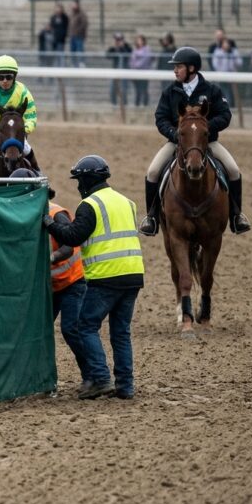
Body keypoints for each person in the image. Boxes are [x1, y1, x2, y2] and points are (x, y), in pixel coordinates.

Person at [43, 155, 144, 400]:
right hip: (133, 273)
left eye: (79, 180)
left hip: (106, 276)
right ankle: (125, 386)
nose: (78, 186)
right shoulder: (126, 201)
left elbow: (73, 237)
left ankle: (100, 378)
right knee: (121, 333)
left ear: (87, 180)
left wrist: (48, 223)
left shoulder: (91, 204)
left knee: (84, 326)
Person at [140, 46, 250, 236]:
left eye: (179, 66)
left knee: (233, 170)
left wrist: (203, 130)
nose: (175, 70)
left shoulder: (211, 90)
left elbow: (225, 115)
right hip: (176, 143)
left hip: (207, 143)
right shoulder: (170, 92)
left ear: (191, 68)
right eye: (175, 67)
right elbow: (160, 118)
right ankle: (152, 217)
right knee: (153, 171)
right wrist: (175, 134)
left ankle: (236, 215)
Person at [11, 168, 89, 393]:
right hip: (47, 287)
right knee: (36, 331)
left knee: (71, 329)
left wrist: (49, 259)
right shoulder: (20, 216)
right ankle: (38, 379)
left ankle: (93, 375)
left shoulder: (55, 214)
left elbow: (68, 246)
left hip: (71, 282)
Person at [211, 37, 243, 108]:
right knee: (224, 91)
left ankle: (233, 106)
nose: (226, 45)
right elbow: (215, 64)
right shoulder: (218, 51)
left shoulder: (234, 51)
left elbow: (239, 63)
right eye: (225, 43)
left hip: (233, 77)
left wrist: (233, 57)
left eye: (228, 43)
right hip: (222, 76)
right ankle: (225, 106)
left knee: (233, 92)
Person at [106, 32, 132, 105]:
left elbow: (128, 55)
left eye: (119, 39)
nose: (118, 41)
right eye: (116, 39)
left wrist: (122, 47)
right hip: (115, 72)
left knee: (124, 90)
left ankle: (124, 105)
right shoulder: (113, 48)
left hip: (124, 73)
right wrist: (115, 48)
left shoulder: (127, 47)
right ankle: (113, 105)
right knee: (112, 90)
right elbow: (107, 56)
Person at [129, 34, 154, 107]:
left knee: (144, 89)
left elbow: (146, 59)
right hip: (135, 73)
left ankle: (145, 104)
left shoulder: (147, 49)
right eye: (137, 40)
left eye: (140, 40)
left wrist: (137, 65)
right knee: (137, 91)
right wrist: (133, 68)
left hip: (144, 72)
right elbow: (132, 61)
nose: (138, 41)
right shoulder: (135, 49)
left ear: (143, 41)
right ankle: (137, 105)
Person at [68, 0, 88, 67]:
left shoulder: (81, 14)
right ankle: (73, 63)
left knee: (80, 49)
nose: (73, 6)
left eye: (74, 4)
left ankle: (81, 62)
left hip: (79, 35)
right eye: (72, 4)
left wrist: (78, 31)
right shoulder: (72, 14)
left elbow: (84, 24)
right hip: (72, 35)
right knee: (72, 50)